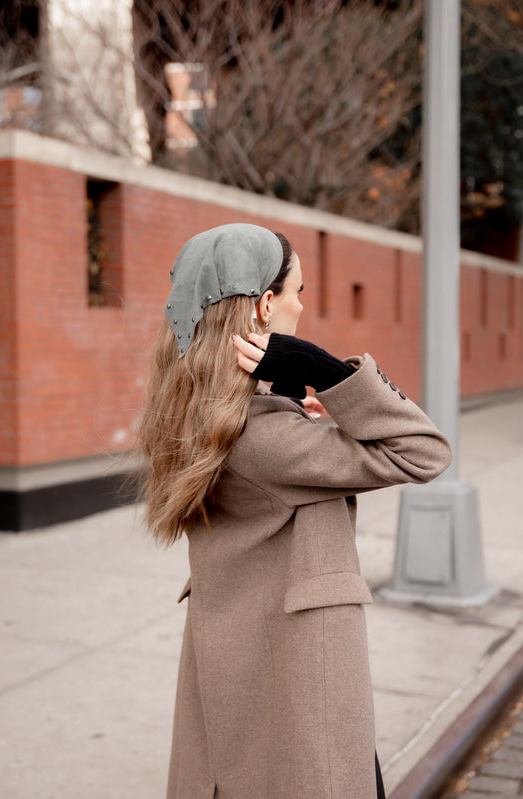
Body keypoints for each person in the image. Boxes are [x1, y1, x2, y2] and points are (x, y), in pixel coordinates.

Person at [138, 223, 452, 799]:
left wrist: (284, 400)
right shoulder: (264, 437)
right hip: (296, 693)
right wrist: (326, 369)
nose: (302, 306)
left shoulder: (199, 413)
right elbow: (424, 451)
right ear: (264, 305)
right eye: (297, 292)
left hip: (247, 672)